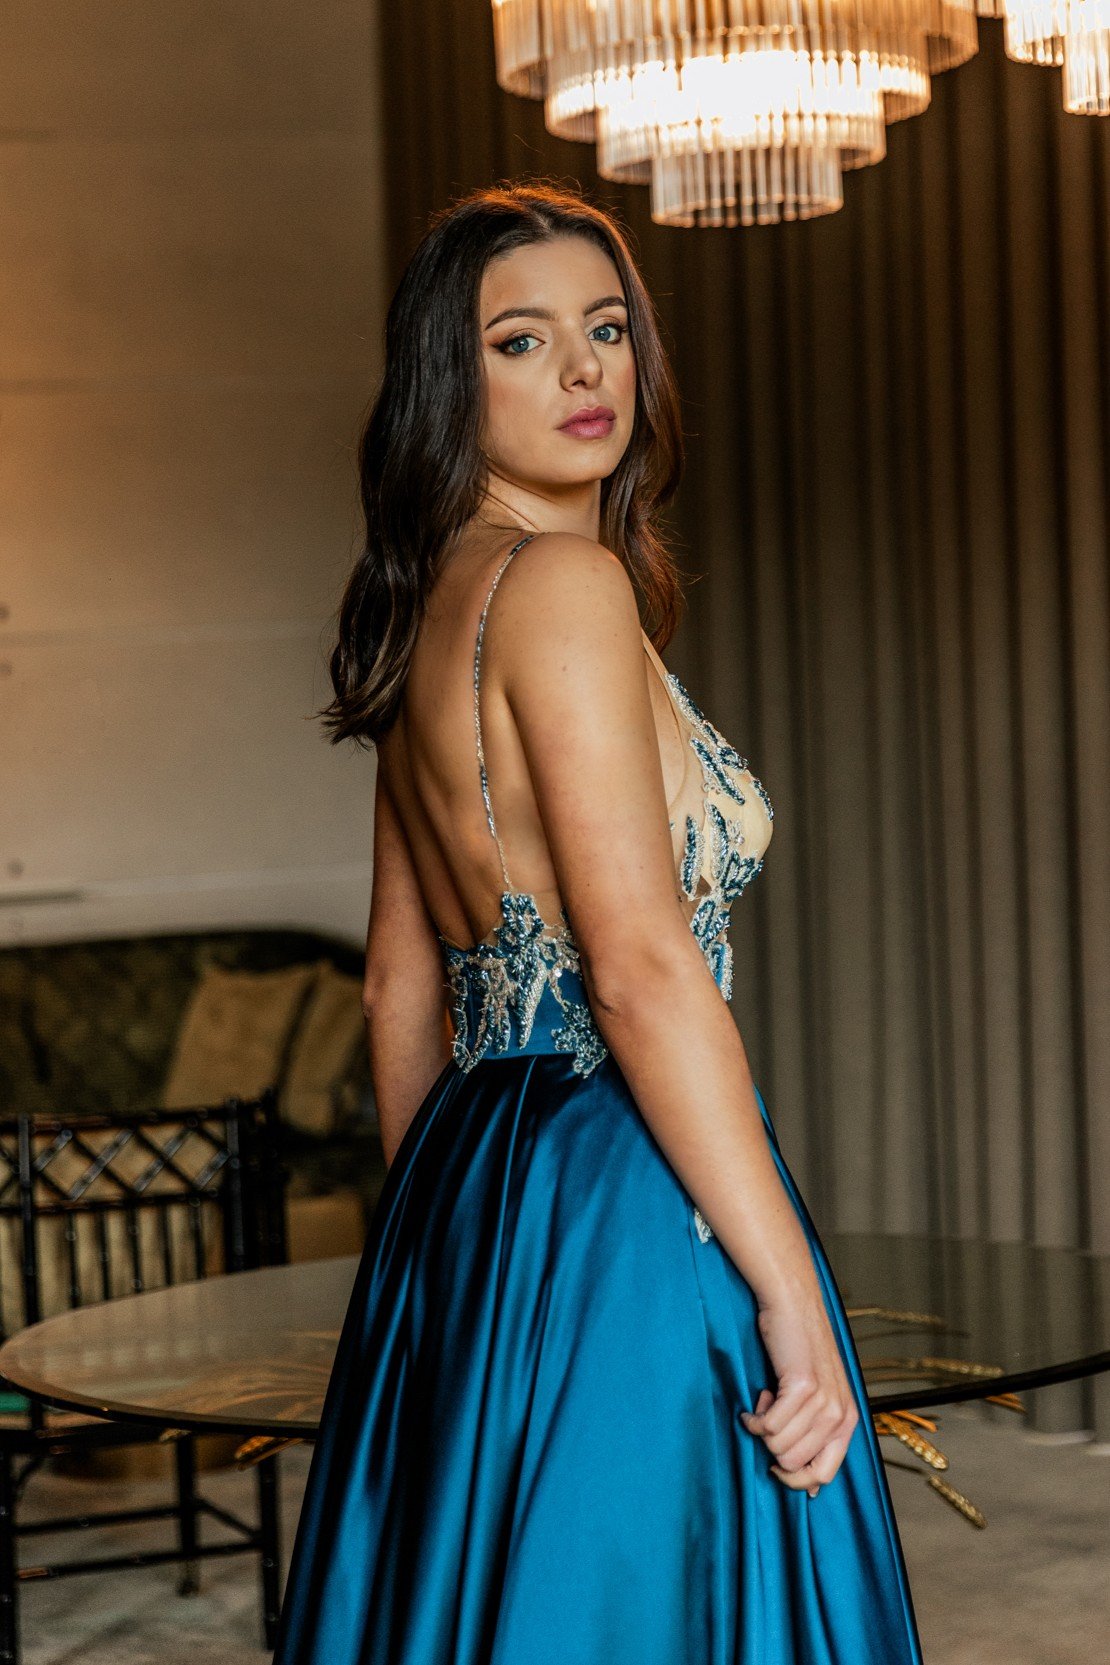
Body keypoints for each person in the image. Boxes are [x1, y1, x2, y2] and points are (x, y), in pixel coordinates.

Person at [271, 180, 925, 1664]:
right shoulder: (562, 584)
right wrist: (787, 1291)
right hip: (623, 1177)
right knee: (645, 1594)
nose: (584, 370)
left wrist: (453, 1253)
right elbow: (634, 970)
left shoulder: (424, 602)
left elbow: (396, 993)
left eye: (608, 328)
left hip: (481, 1171)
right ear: (449, 382)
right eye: (520, 340)